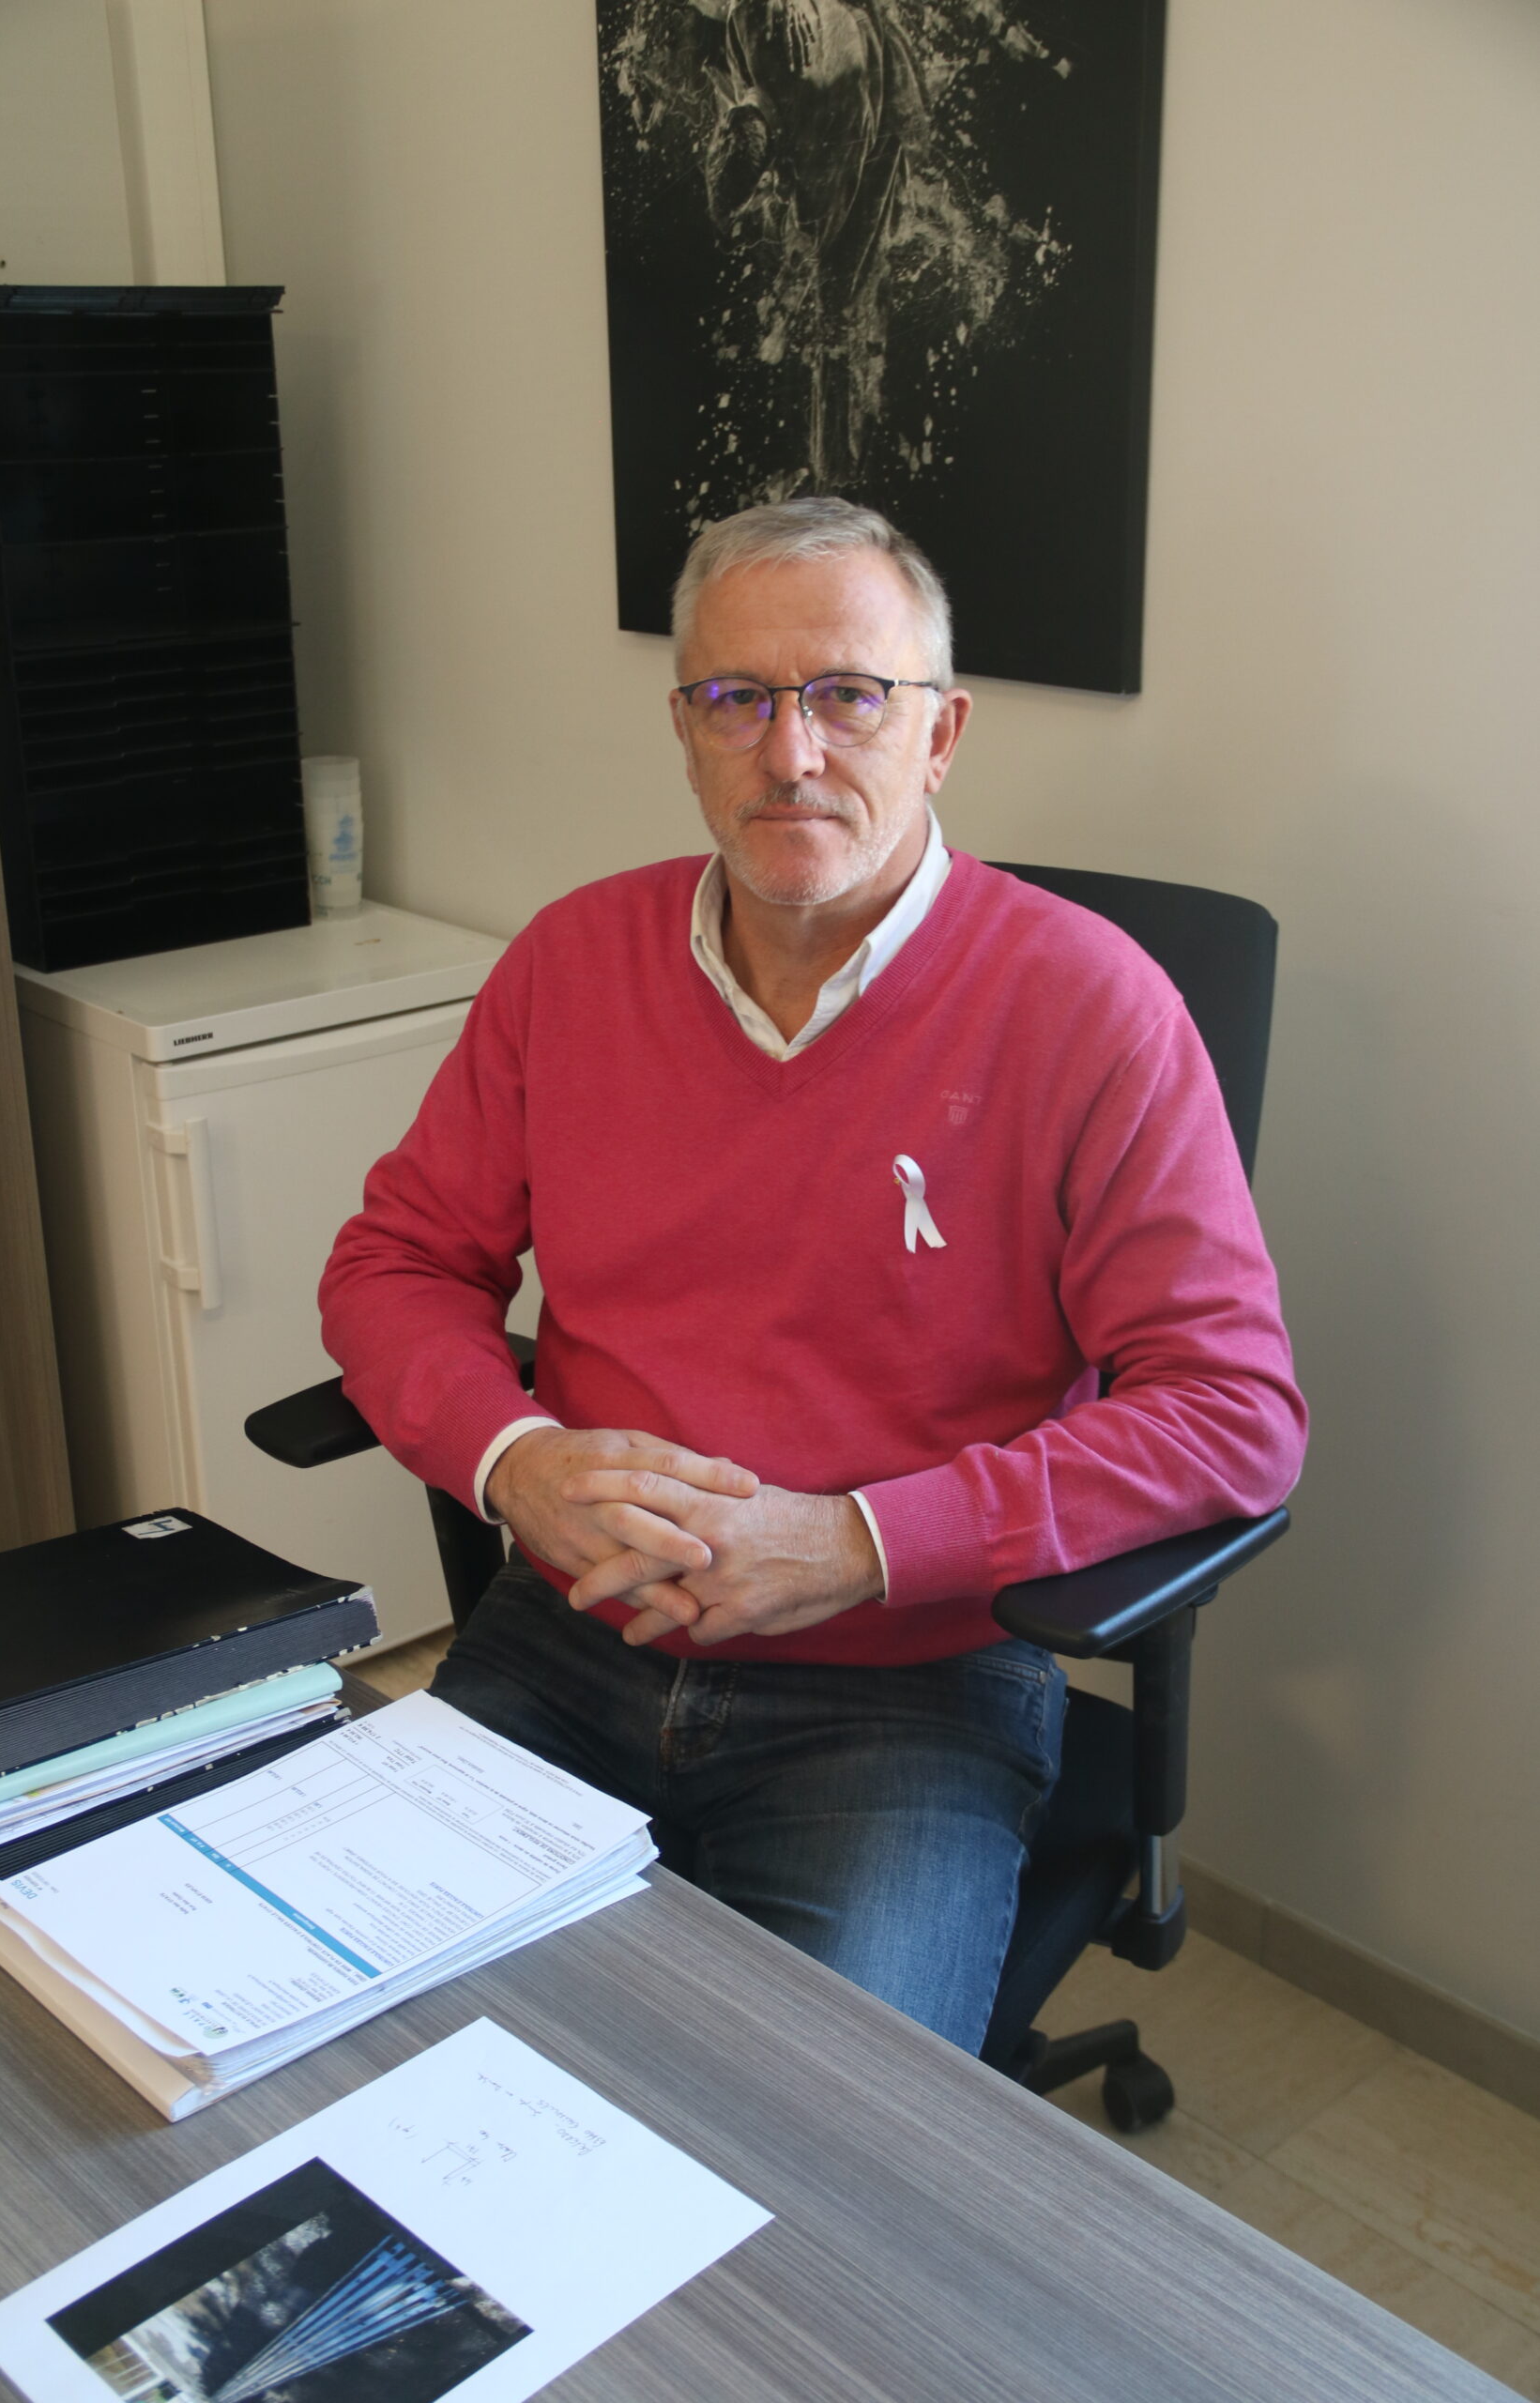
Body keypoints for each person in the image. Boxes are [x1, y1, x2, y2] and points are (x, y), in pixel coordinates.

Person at [319, 496, 1305, 2053]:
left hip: (903, 1693)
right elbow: (396, 1262)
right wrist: (513, 1461)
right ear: (684, 729)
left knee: (808, 2148)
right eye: (738, 698)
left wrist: (858, 1543)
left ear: (942, 732)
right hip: (574, 1640)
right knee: (333, 2033)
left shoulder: (1090, 1009)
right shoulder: (571, 965)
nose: (791, 753)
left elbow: (1230, 1414)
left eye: (850, 695)